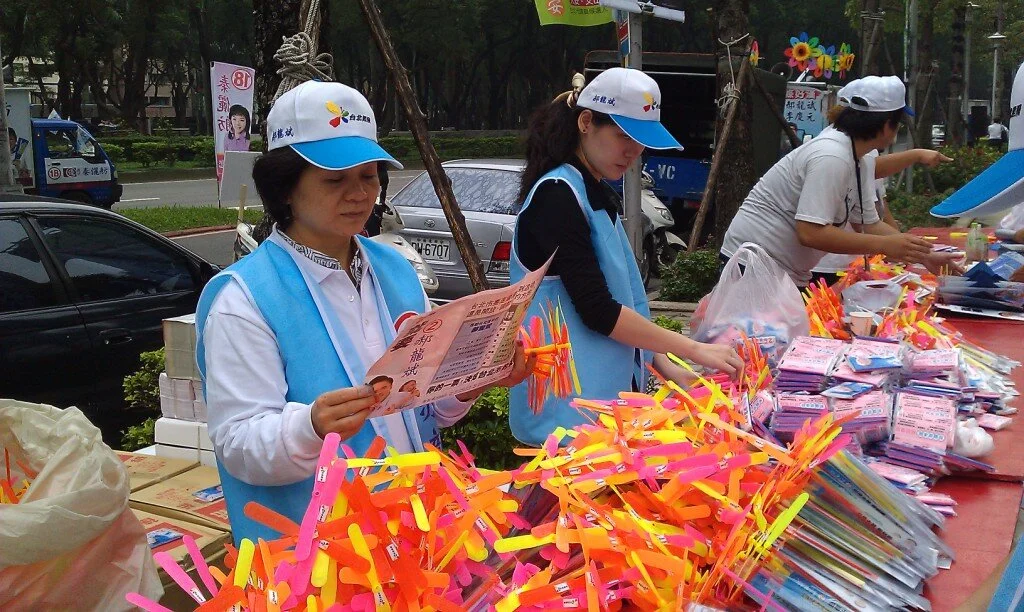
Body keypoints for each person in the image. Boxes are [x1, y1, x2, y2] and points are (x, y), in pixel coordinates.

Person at [195, 80, 533, 544]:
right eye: (335, 179)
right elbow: (237, 446)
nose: (358, 194)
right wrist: (309, 426)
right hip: (322, 562)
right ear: (285, 189)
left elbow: (425, 411)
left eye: (369, 176)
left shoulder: (394, 268)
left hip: (415, 538)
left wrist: (476, 375)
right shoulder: (245, 299)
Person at [510, 67, 743, 446]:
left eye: (641, 141)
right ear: (586, 122)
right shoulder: (557, 196)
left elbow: (627, 299)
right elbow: (600, 310)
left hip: (597, 418)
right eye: (624, 136)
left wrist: (667, 368)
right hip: (559, 425)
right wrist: (693, 348)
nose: (634, 151)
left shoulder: (592, 192)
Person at [721, 75, 959, 289]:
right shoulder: (831, 156)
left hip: (780, 269)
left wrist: (925, 255)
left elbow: (867, 224)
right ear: (887, 125)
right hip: (752, 265)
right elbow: (811, 233)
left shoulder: (860, 158)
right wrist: (885, 246)